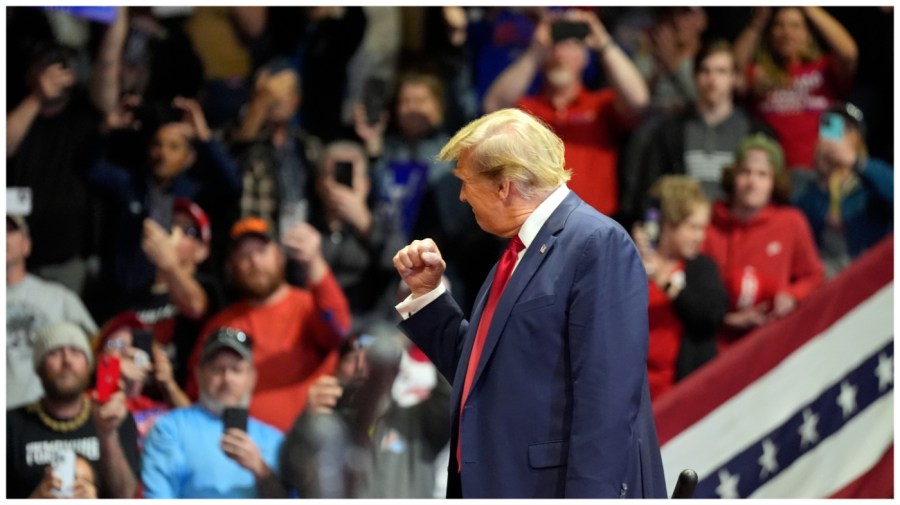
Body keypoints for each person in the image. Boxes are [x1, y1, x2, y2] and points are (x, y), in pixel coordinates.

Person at [391, 108, 666, 498]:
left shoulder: (596, 243)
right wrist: (428, 295)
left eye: (466, 181)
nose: (462, 194)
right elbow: (487, 376)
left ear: (504, 186)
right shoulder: (518, 251)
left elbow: (606, 401)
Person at [185, 217, 351, 432]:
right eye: (244, 256)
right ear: (231, 266)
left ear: (280, 255)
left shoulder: (308, 308)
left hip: (304, 446)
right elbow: (195, 396)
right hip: (235, 452)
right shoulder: (220, 326)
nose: (254, 262)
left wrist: (313, 261)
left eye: (262, 251)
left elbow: (339, 327)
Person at [482, 8, 649, 217]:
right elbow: (493, 105)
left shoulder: (600, 105)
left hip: (594, 226)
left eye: (570, 45)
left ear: (585, 58)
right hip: (536, 227)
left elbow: (639, 101)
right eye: (554, 45)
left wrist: (604, 43)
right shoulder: (527, 109)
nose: (560, 53)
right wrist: (536, 51)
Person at [619, 40, 776, 226]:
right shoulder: (670, 132)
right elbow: (652, 191)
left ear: (734, 78)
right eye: (705, 71)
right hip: (684, 230)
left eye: (721, 71)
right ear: (694, 76)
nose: (712, 80)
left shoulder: (756, 133)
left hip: (735, 231)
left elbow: (773, 192)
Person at [281, 330, 451, 498]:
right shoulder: (324, 425)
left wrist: (420, 329)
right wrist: (307, 420)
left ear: (394, 371)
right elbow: (290, 474)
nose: (361, 366)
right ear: (337, 370)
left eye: (372, 358)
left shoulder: (420, 421)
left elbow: (453, 383)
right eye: (352, 358)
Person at [703, 134, 824, 349]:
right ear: (733, 176)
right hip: (716, 343)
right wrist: (726, 319)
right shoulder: (708, 224)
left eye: (762, 175)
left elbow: (813, 276)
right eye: (745, 172)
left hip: (772, 342)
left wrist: (791, 295)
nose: (752, 182)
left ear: (774, 182)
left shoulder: (791, 222)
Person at [141, 327, 286, 498]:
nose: (227, 379)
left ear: (252, 378)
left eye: (236, 370)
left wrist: (260, 469)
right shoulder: (169, 429)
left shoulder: (275, 440)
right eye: (218, 369)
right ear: (199, 374)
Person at [6, 322, 140, 498]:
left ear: (89, 365)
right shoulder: (10, 424)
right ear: (38, 368)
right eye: (54, 353)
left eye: (76, 353)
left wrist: (107, 434)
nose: (67, 361)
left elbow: (125, 495)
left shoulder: (115, 416)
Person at [733, 7, 857, 182]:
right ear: (770, 34)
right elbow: (733, 68)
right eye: (779, 25)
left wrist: (808, 7)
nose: (786, 32)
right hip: (775, 179)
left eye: (795, 26)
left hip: (822, 175)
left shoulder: (823, 69)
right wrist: (758, 23)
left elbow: (848, 53)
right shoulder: (760, 75)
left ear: (808, 34)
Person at [631, 176, 728, 400]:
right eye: (693, 227)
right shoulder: (631, 264)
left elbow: (710, 317)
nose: (700, 237)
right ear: (666, 224)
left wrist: (664, 280)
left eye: (702, 228)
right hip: (635, 395)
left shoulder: (700, 267)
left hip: (681, 398)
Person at [129, 197, 226, 387]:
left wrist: (170, 265)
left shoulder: (210, 287)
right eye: (171, 224)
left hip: (184, 399)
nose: (175, 233)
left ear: (202, 250)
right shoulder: (136, 295)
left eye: (188, 231)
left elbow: (196, 307)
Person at [7, 214, 98, 409]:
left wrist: (120, 346)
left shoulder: (59, 297)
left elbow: (103, 342)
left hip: (46, 418)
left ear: (26, 244)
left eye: (9, 231)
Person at [793, 102, 894, 278]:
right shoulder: (806, 186)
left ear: (858, 140)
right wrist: (824, 181)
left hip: (869, 275)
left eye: (846, 129)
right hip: (826, 280)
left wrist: (855, 162)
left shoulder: (872, 182)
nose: (836, 137)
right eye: (828, 128)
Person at [91, 311, 190, 447]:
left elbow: (194, 427)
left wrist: (168, 383)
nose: (127, 352)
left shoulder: (151, 407)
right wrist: (112, 372)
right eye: (117, 345)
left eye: (134, 345)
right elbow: (101, 416)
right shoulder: (87, 401)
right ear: (98, 356)